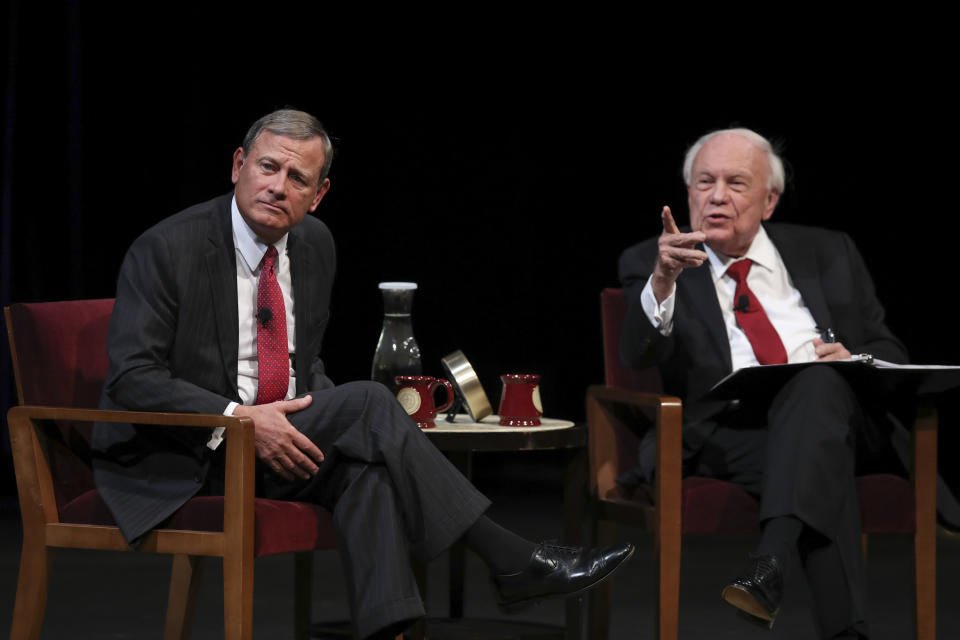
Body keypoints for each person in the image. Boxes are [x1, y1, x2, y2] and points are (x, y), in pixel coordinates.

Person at [91, 108, 633, 640]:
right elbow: (133, 377)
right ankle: (513, 559)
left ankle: (389, 630)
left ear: (319, 193)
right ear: (238, 165)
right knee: (373, 404)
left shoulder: (316, 245)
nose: (279, 187)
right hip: (186, 454)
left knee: (368, 475)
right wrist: (244, 419)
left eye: (297, 177)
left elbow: (308, 364)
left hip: (279, 445)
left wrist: (333, 427)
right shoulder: (167, 247)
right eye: (268, 167)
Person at [618, 127, 924, 639]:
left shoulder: (829, 251)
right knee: (819, 458)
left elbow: (890, 350)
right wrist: (663, 282)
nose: (716, 196)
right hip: (730, 435)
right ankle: (838, 624)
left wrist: (856, 358)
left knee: (819, 386)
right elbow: (637, 355)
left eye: (736, 183)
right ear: (688, 191)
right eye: (703, 182)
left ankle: (769, 562)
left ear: (769, 200)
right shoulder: (655, 261)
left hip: (842, 416)